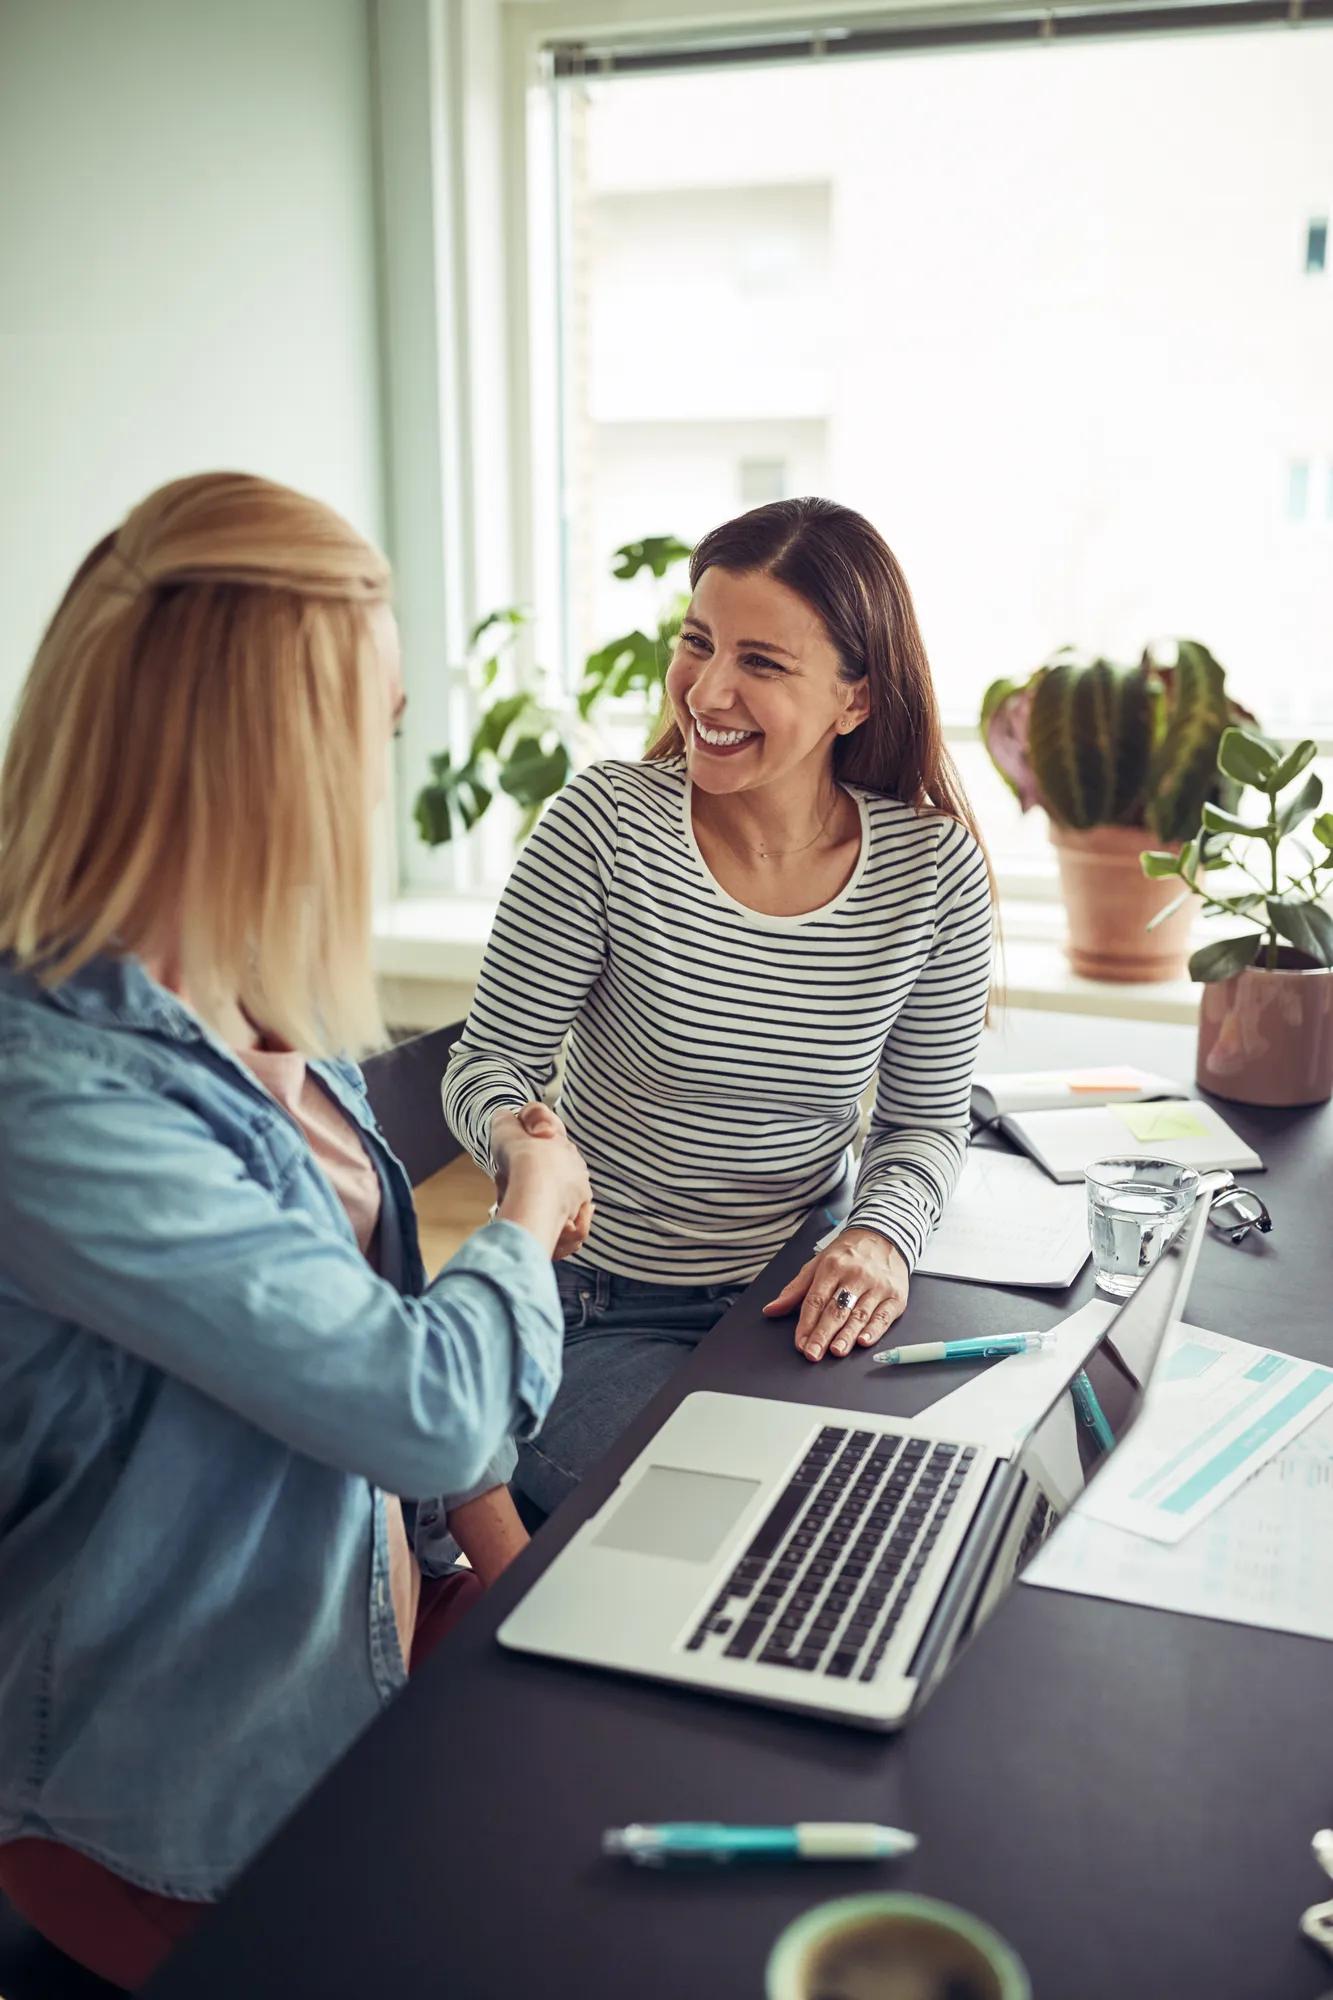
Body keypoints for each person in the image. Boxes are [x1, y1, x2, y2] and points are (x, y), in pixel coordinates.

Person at [0, 472, 590, 1989]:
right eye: (370, 735)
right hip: (179, 1808)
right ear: (268, 764)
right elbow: (426, 1399)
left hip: (359, 1674)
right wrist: (526, 1220)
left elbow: (369, 1383)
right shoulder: (52, 1102)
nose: (382, 781)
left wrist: (508, 1590)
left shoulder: (245, 1000)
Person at [444, 496, 994, 1521]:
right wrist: (522, 1149)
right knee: (745, 1515)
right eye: (697, 642)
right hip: (601, 1311)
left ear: (856, 700)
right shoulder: (606, 825)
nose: (707, 687)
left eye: (762, 663)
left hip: (797, 1293)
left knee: (930, 1490)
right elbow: (486, 1068)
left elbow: (922, 1122)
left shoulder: (930, 871)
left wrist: (878, 1235)